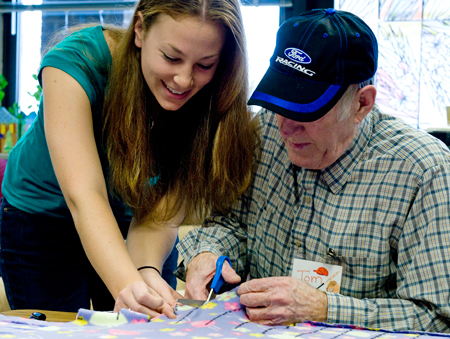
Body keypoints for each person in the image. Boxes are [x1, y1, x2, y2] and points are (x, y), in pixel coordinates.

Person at [175, 8, 450, 333]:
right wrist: (209, 254)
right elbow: (231, 223)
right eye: (279, 104)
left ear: (361, 103)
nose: (286, 128)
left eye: (307, 110)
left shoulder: (423, 172)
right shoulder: (264, 134)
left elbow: (436, 317)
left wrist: (323, 308)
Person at [0, 0, 254, 317]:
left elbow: (160, 213)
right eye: (171, 57)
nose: (184, 81)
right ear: (139, 31)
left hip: (133, 209)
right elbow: (85, 197)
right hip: (45, 215)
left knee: (147, 317)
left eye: (204, 65)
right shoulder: (74, 61)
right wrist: (127, 283)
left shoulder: (214, 92)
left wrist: (145, 271)